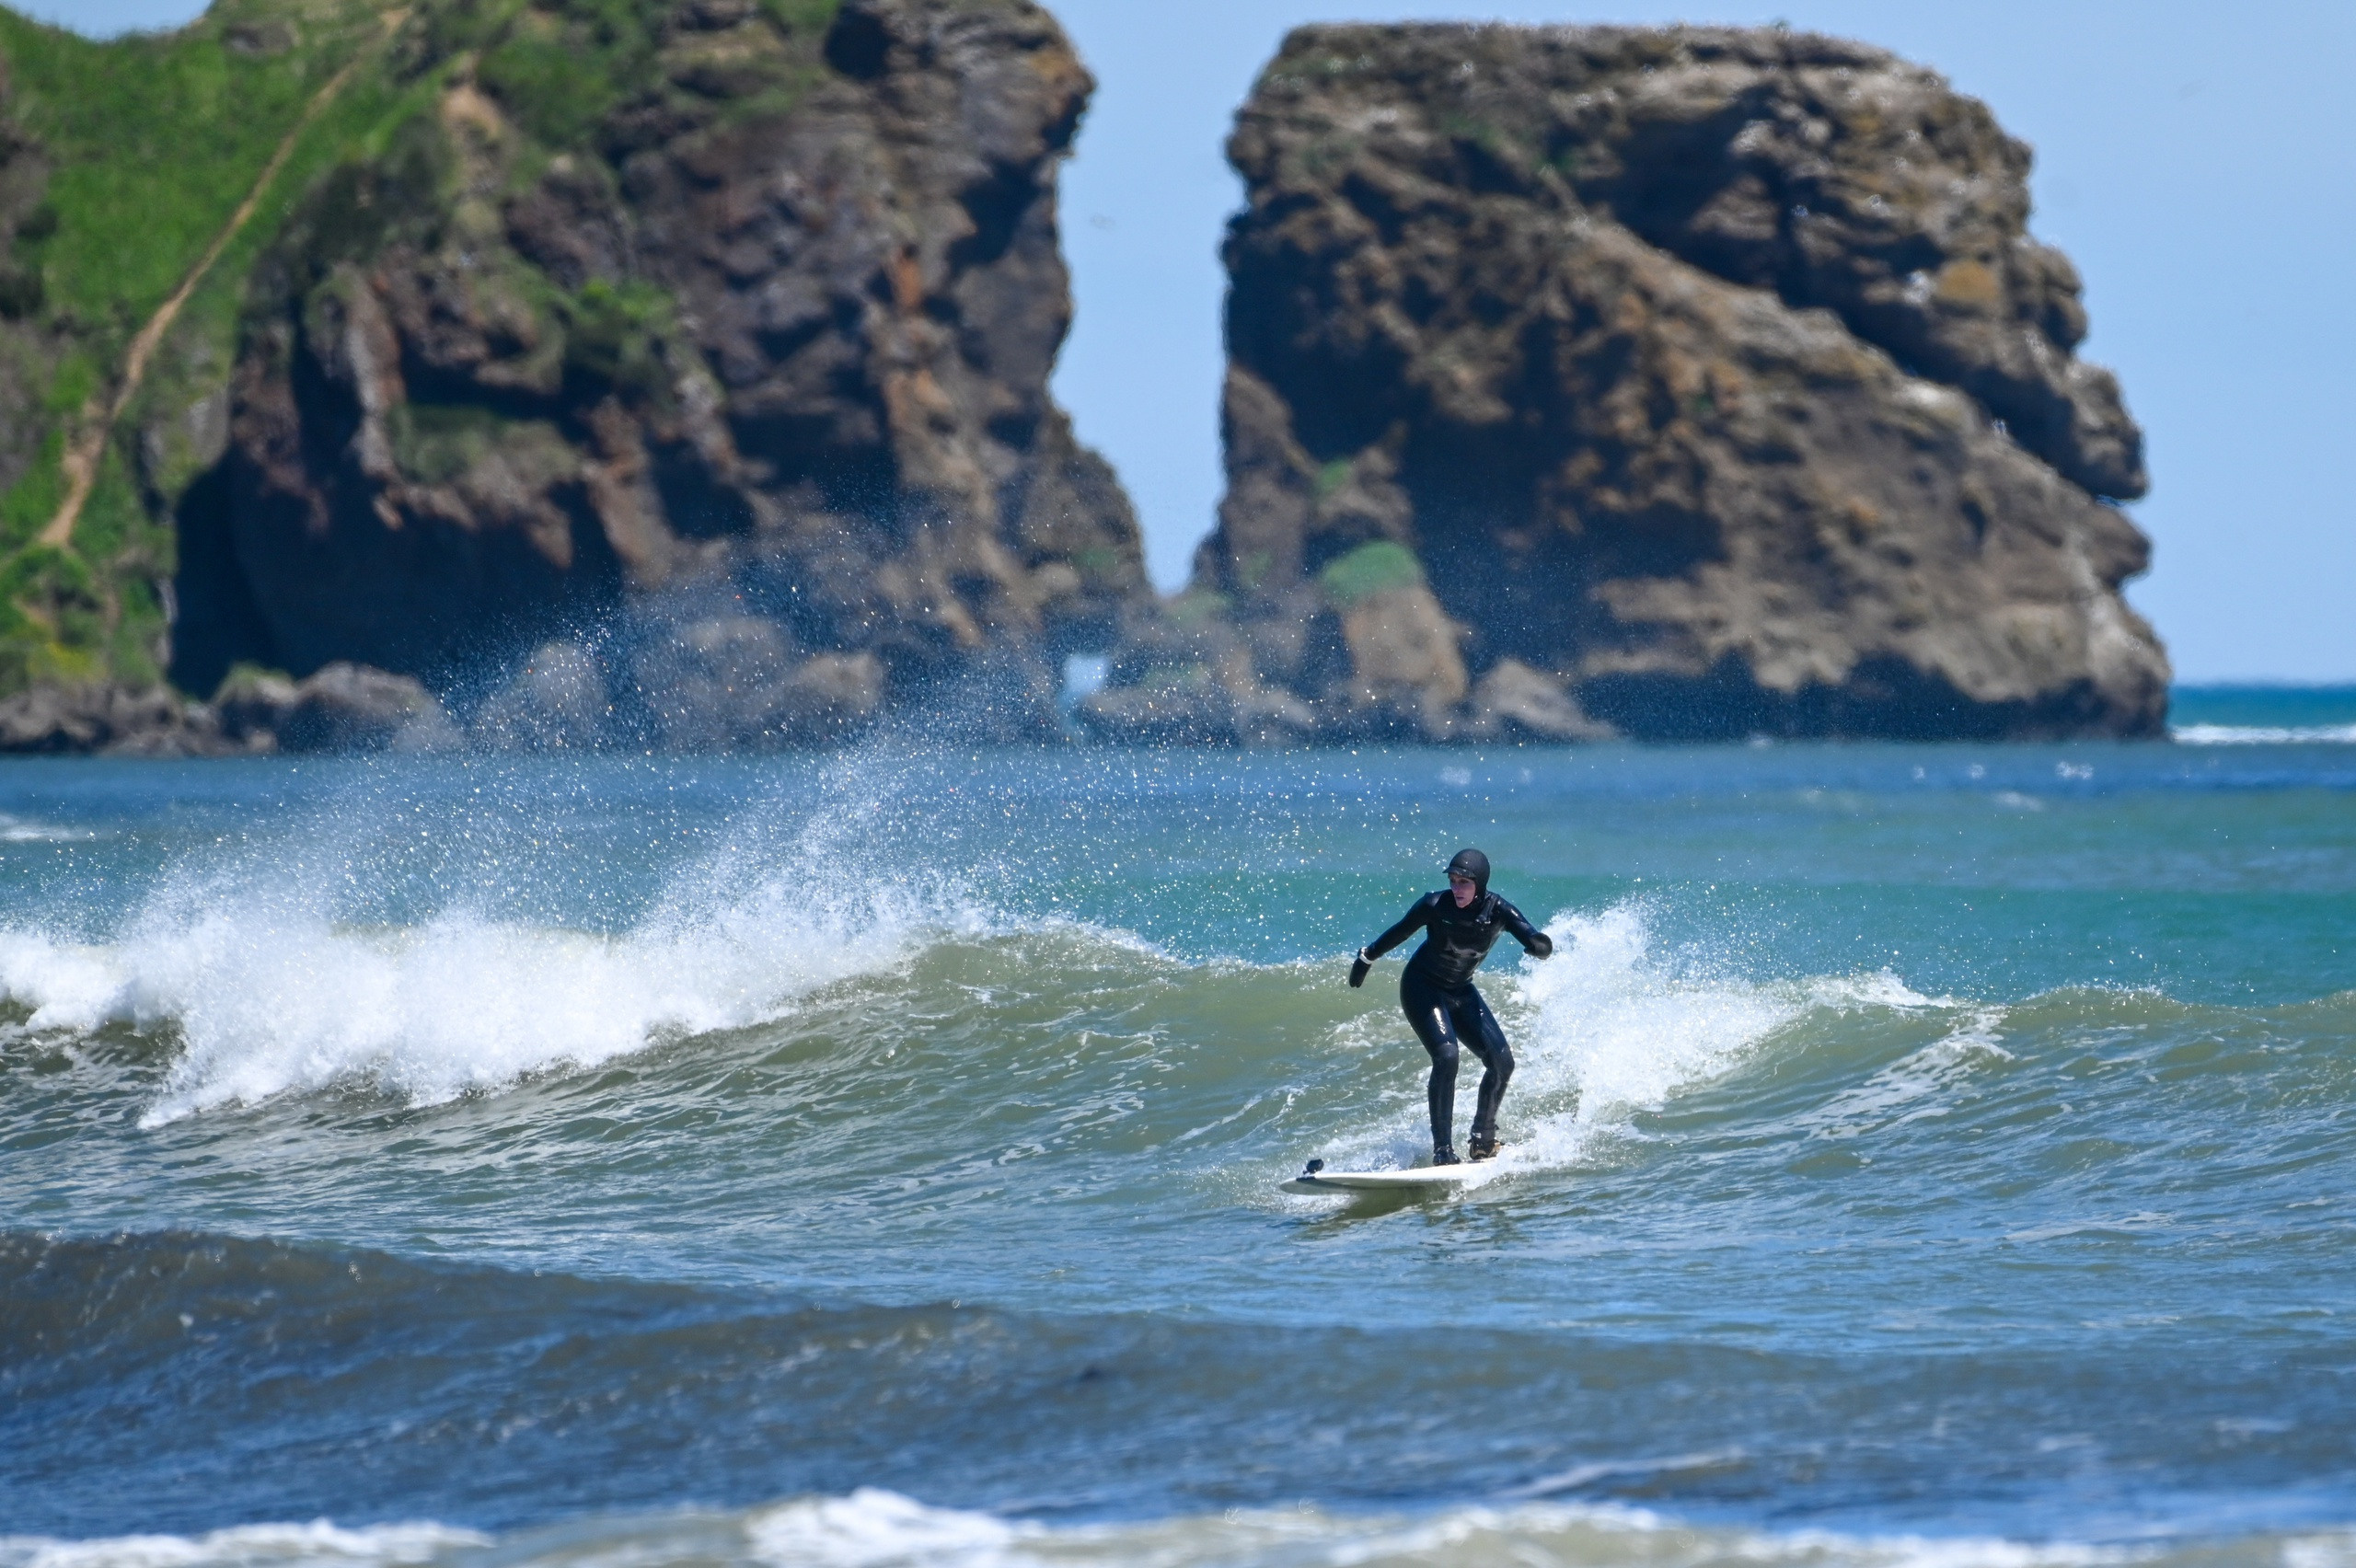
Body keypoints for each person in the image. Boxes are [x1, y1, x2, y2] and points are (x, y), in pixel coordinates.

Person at [1349, 848, 1553, 1164]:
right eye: (1454, 881)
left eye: (1465, 883)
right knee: (1447, 1056)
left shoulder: (1498, 911)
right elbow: (1400, 931)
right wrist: (1367, 958)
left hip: (1461, 990)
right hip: (1422, 987)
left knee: (1502, 1062)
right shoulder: (1435, 904)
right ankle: (1442, 1150)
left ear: (1480, 884)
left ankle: (1483, 1140)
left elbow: (1531, 934)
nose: (1457, 889)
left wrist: (1540, 946)